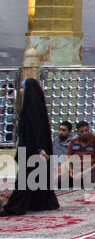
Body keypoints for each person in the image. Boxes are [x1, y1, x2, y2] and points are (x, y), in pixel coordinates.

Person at [2, 78, 59, 215]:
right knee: (35, 176)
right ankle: (41, 202)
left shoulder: (32, 107)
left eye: (23, 87)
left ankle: (16, 207)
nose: (21, 90)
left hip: (33, 149)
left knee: (26, 177)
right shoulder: (33, 105)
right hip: (31, 147)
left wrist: (40, 149)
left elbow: (37, 129)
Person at [65, 121, 95, 188]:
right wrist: (71, 171)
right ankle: (77, 181)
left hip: (91, 170)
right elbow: (68, 158)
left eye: (86, 130)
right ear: (77, 132)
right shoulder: (73, 142)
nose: (85, 133)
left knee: (89, 183)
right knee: (59, 181)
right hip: (76, 169)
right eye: (82, 132)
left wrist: (83, 174)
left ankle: (78, 182)